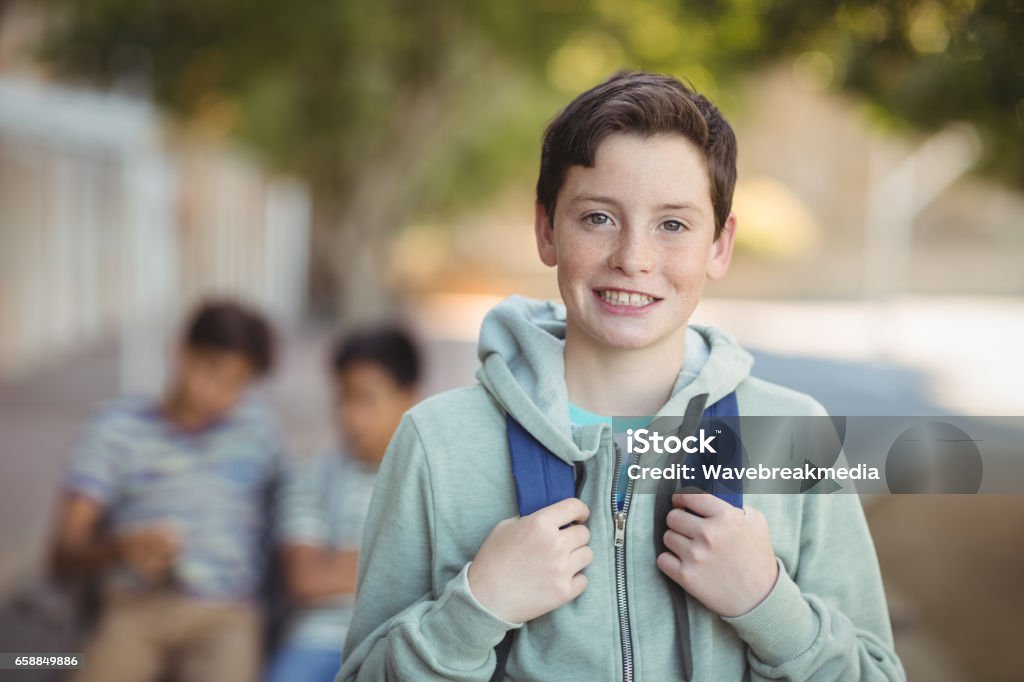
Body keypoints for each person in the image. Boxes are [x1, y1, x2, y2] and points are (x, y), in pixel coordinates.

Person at [338, 71, 905, 681]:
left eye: (673, 225)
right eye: (599, 218)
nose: (634, 258)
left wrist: (768, 606)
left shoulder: (796, 433)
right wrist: (476, 609)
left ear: (720, 244)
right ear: (546, 229)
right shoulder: (436, 443)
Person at [48, 300, 284, 682]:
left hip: (226, 615)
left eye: (237, 384)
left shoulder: (259, 430)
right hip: (134, 608)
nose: (220, 395)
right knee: (38, 663)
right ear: (179, 350)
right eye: (212, 372)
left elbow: (288, 519)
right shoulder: (114, 428)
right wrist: (121, 548)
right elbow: (60, 556)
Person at [265, 327, 420, 682]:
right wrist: (399, 564)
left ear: (409, 397)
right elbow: (305, 578)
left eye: (366, 399)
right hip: (315, 641)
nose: (350, 416)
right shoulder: (313, 474)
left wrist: (339, 562)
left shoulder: (428, 477)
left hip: (399, 644)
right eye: (342, 398)